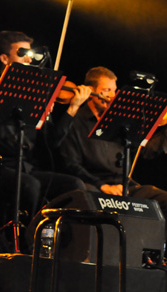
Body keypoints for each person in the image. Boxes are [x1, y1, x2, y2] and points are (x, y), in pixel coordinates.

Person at [0, 31, 88, 235]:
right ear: (4, 58)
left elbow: (52, 143)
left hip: (26, 167)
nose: (29, 58)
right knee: (30, 186)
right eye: (22, 52)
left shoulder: (38, 92)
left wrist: (71, 110)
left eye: (31, 54)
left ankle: (62, 242)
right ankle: (24, 238)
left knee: (74, 185)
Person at [59, 66, 167, 220]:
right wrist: (102, 186)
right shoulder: (75, 121)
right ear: (90, 90)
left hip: (123, 185)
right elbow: (70, 164)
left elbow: (145, 152)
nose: (111, 96)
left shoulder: (120, 121)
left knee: (163, 199)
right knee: (89, 197)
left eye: (114, 90)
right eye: (106, 90)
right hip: (94, 185)